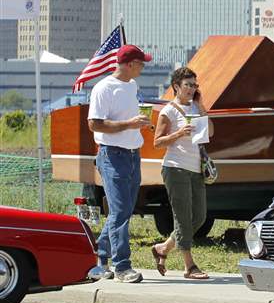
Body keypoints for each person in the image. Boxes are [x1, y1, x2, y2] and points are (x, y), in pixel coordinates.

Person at [86, 44, 154, 283]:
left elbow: (128, 119)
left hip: (133, 155)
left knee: (122, 211)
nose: (143, 67)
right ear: (129, 64)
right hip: (112, 155)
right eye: (141, 63)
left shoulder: (132, 85)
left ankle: (98, 257)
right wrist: (129, 124)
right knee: (120, 212)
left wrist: (139, 123)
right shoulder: (103, 88)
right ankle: (122, 266)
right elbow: (94, 124)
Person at [150, 67, 213, 279]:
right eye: (188, 85)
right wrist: (178, 133)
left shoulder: (196, 106)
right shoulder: (168, 111)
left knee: (200, 216)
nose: (192, 88)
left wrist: (202, 106)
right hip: (175, 167)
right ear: (176, 87)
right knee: (183, 218)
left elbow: (210, 132)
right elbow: (157, 142)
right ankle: (189, 266)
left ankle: (163, 248)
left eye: (195, 85)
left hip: (196, 168)